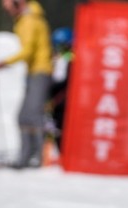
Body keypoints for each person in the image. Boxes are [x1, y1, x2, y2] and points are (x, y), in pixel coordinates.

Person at [0, 0, 52, 169]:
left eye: (8, 8)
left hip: (39, 71)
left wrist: (5, 62)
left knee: (33, 115)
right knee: (24, 116)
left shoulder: (29, 20)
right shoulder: (29, 18)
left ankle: (37, 157)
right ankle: (27, 156)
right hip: (34, 71)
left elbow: (27, 51)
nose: (7, 12)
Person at [47, 26, 73, 154]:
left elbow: (61, 80)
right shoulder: (57, 59)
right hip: (57, 100)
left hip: (63, 100)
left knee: (62, 128)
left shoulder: (69, 59)